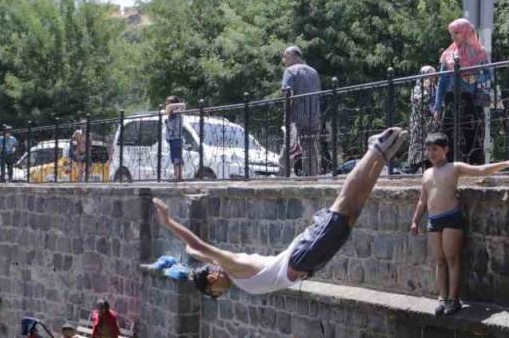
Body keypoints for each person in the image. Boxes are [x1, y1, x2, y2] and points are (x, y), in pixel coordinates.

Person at [157, 127, 407, 297]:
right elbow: (195, 251)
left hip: (302, 257)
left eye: (215, 294)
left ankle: (375, 149)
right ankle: (381, 156)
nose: (220, 295)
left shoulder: (233, 266)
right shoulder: (229, 271)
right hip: (306, 259)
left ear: (213, 281)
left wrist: (169, 223)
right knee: (352, 211)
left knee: (345, 206)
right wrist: (191, 256)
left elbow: (197, 245)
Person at [410, 135, 509, 315]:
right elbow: (423, 200)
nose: (431, 153)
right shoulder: (427, 173)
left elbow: (481, 170)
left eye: (435, 149)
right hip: (433, 221)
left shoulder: (454, 167)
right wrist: (415, 220)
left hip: (451, 218)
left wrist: (504, 164)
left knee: (452, 258)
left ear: (445, 150)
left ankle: (453, 300)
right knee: (440, 260)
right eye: (429, 150)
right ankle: (442, 298)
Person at [433, 18, 491, 165]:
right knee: (450, 136)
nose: (453, 37)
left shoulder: (480, 53)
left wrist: (474, 74)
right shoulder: (448, 55)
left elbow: (488, 75)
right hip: (452, 101)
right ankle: (450, 169)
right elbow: (442, 82)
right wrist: (437, 107)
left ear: (465, 32)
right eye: (451, 34)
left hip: (472, 101)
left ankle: (474, 168)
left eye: (456, 33)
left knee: (473, 135)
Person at [281, 46, 324, 176]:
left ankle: (283, 175)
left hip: (296, 116)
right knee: (311, 149)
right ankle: (312, 176)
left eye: (286, 57)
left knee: (289, 146)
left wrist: (286, 116)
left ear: (294, 56)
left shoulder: (290, 71)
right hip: (313, 116)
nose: (284, 60)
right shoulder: (313, 72)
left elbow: (287, 93)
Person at [406, 66, 439, 173]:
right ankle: (414, 164)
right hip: (419, 123)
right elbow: (419, 100)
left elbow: (439, 101)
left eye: (433, 73)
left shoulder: (435, 87)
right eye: (429, 73)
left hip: (431, 123)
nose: (432, 76)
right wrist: (427, 91)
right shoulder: (417, 88)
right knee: (417, 143)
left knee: (431, 142)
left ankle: (429, 163)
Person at [164, 96, 187, 182]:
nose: (167, 105)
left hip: (177, 137)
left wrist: (171, 107)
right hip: (172, 138)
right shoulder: (170, 114)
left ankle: (179, 176)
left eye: (168, 103)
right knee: (174, 158)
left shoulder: (178, 112)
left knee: (177, 158)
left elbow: (183, 105)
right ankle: (176, 175)